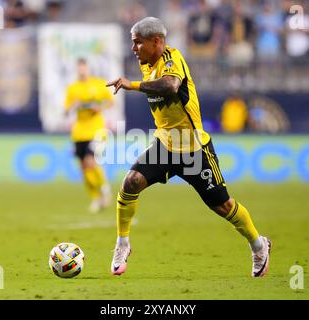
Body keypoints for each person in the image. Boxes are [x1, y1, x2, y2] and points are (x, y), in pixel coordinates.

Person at [106, 17, 271, 277]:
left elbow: (171, 86)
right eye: (132, 43)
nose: (134, 49)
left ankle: (259, 245)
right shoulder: (146, 62)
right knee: (131, 182)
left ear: (157, 41)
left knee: (223, 206)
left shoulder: (173, 59)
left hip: (193, 147)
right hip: (165, 144)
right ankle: (122, 244)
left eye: (138, 43)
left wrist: (132, 85)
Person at [64, 58, 113, 213]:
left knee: (91, 161)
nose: (81, 71)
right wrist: (74, 105)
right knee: (84, 169)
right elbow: (65, 111)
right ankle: (96, 198)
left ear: (88, 68)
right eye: (79, 68)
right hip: (79, 133)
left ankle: (105, 189)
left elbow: (110, 102)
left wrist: (99, 107)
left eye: (83, 68)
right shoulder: (73, 89)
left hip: (97, 130)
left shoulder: (98, 84)